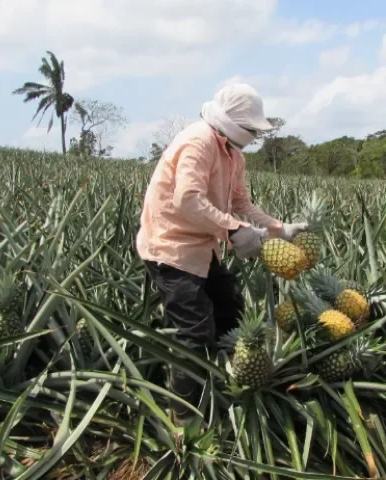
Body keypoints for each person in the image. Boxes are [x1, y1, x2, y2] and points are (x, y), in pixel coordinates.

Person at [135, 83, 308, 427]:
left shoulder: (233, 154)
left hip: (203, 244)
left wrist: (279, 228)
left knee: (230, 311)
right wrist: (232, 229)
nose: (254, 136)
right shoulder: (197, 142)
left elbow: (241, 203)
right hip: (170, 247)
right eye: (251, 129)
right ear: (233, 123)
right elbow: (188, 199)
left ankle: (229, 382)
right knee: (195, 332)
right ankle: (184, 418)